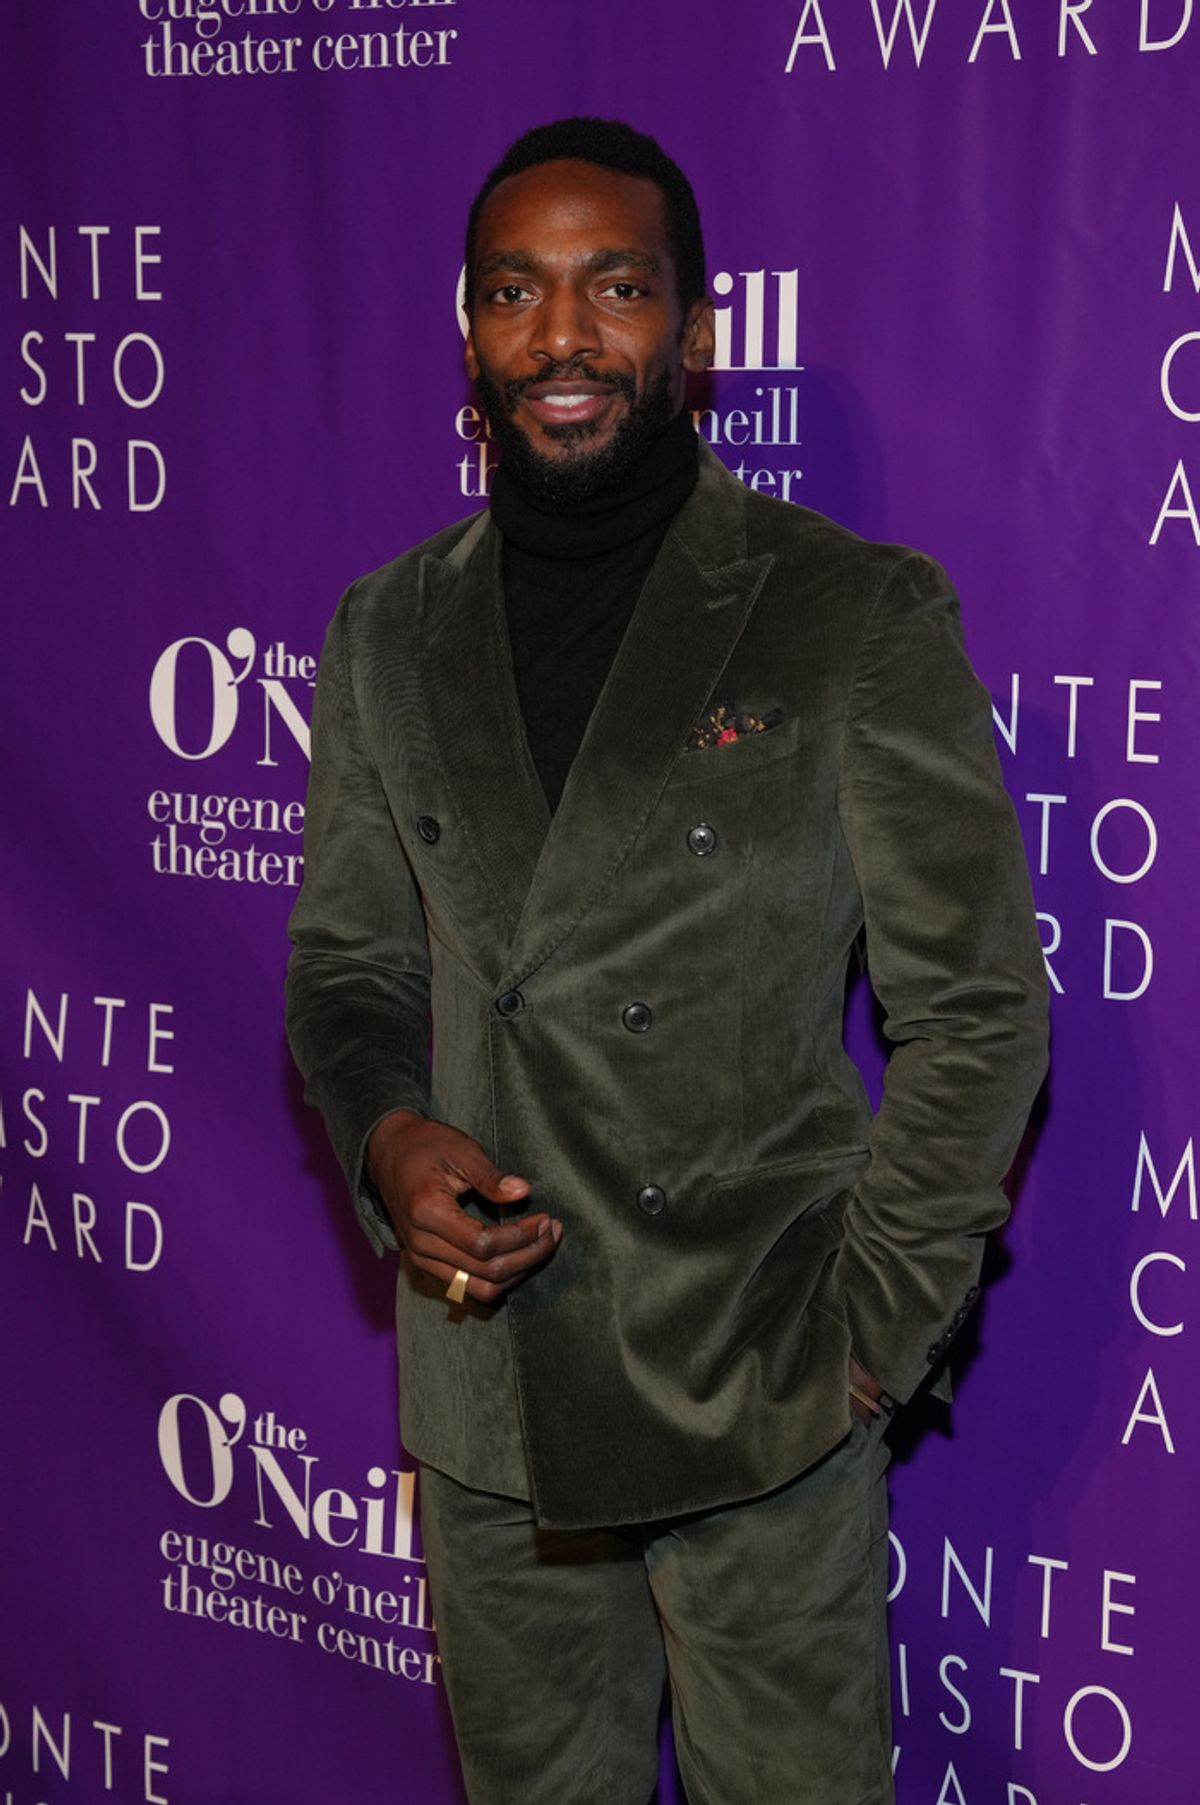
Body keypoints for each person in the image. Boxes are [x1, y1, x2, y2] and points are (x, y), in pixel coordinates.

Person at [285, 117, 1048, 1805]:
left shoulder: (848, 611)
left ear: (697, 333)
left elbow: (981, 1010)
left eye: (615, 289)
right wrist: (386, 1135)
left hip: (758, 1395)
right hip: (490, 1405)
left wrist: (861, 1339)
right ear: (469, 335)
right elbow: (346, 962)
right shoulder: (385, 628)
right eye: (515, 292)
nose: (561, 336)